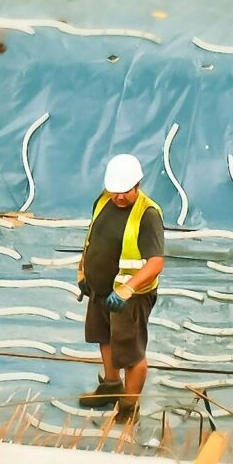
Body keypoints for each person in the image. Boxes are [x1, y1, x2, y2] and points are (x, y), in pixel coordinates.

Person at [79, 153, 165, 421]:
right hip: (100, 291)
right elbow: (91, 238)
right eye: (114, 190)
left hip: (129, 299)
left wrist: (127, 289)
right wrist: (83, 272)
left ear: (137, 184)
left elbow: (156, 262)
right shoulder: (103, 200)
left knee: (131, 353)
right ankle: (111, 385)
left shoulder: (147, 215)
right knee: (104, 338)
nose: (118, 197)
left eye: (124, 191)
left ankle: (129, 406)